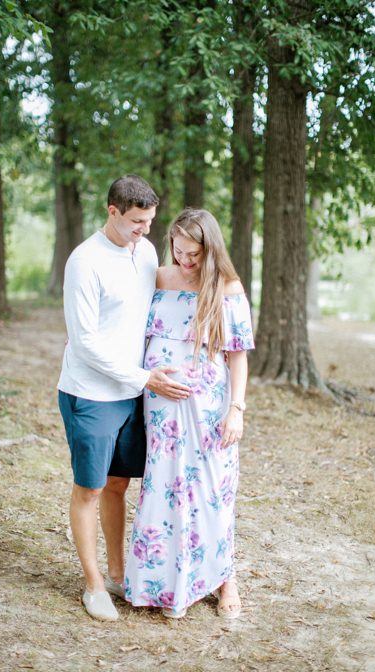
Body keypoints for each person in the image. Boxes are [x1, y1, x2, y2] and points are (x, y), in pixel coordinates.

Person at [57, 175, 192, 621]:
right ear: (112, 211)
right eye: (136, 221)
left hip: (135, 392)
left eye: (149, 221)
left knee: (119, 484)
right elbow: (84, 343)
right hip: (91, 394)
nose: (145, 230)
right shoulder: (85, 261)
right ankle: (93, 585)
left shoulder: (147, 251)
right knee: (90, 488)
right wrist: (145, 378)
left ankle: (117, 574)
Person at [123, 208, 254, 620]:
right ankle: (162, 583)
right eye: (178, 251)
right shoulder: (160, 279)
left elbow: (238, 356)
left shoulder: (227, 288)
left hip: (209, 409)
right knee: (165, 487)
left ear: (210, 250)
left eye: (194, 254)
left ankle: (225, 577)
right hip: (161, 408)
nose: (185, 260)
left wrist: (236, 409)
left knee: (213, 491)